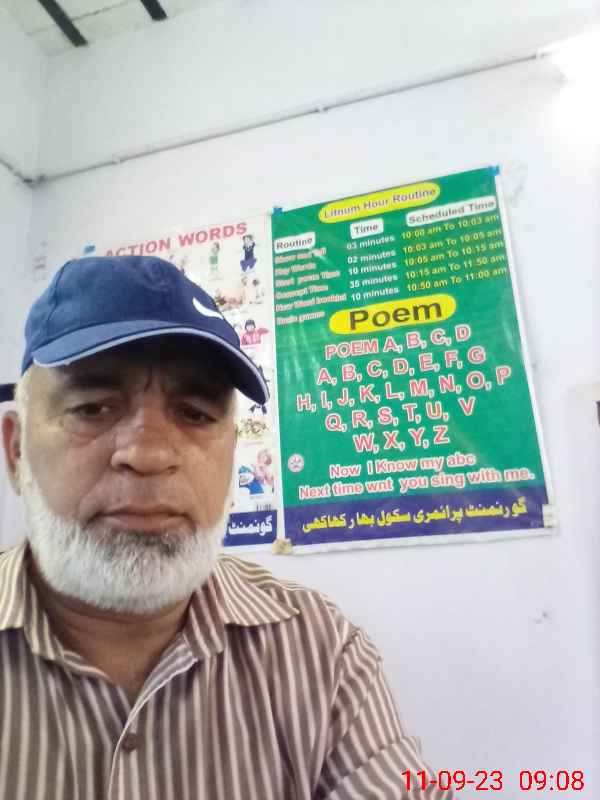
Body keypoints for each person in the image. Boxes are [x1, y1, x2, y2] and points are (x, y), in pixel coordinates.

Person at [0, 256, 452, 799]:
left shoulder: (320, 650)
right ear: (17, 449)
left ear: (232, 453)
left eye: (194, 414)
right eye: (94, 407)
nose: (148, 454)